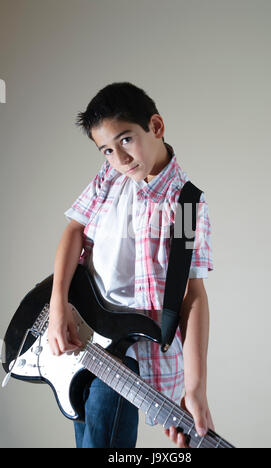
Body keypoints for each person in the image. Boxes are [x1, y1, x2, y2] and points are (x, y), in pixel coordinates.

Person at [48, 81, 215, 448]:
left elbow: (192, 296)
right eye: (107, 150)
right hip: (84, 335)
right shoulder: (111, 177)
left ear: (155, 127)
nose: (120, 159)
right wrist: (58, 304)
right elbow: (74, 228)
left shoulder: (185, 206)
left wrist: (195, 388)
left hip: (128, 355)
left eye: (126, 140)